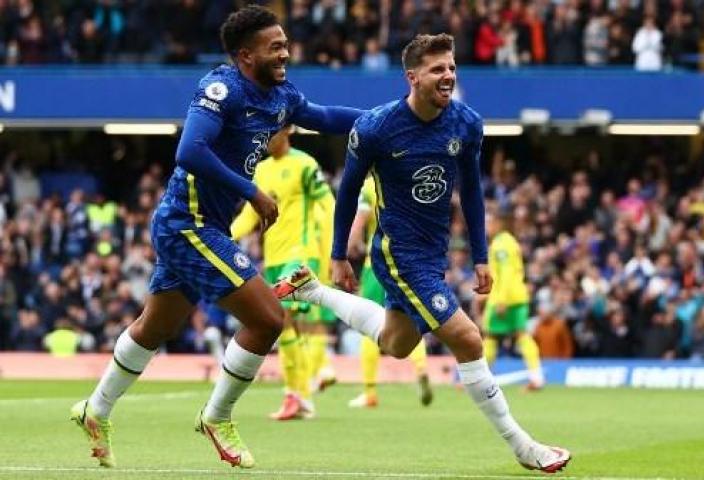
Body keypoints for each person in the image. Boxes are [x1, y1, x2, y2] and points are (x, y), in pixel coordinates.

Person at [70, 5, 363, 469]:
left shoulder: (281, 95)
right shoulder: (221, 88)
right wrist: (253, 191)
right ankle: (217, 414)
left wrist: (389, 121)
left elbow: (325, 116)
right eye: (276, 47)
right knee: (268, 320)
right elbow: (190, 150)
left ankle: (96, 408)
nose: (286, 52)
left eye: (286, 43)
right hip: (188, 224)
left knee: (156, 327)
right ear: (246, 55)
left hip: (203, 226)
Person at [275, 33, 570, 472]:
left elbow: (471, 191)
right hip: (399, 253)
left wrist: (481, 255)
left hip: (432, 254)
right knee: (469, 339)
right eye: (437, 69)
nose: (448, 76)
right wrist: (339, 253)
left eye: (451, 67)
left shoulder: (466, 124)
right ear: (412, 77)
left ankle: (311, 290)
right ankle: (523, 445)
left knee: (398, 342)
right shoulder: (376, 128)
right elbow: (349, 191)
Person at [230, 125, 334, 421]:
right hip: (273, 259)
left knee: (286, 320)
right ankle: (304, 395)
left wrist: (329, 257)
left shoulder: (305, 164)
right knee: (288, 325)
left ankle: (296, 395)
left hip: (300, 256)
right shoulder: (260, 170)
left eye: (270, 132)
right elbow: (251, 214)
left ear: (288, 130)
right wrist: (226, 235)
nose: (264, 139)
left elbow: (328, 206)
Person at [346, 175, 433, 408]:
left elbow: (361, 217)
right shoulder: (410, 179)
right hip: (409, 264)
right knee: (412, 323)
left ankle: (370, 391)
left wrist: (351, 242)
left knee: (369, 328)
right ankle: (422, 368)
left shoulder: (371, 184)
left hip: (377, 265)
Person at [479, 209, 545, 390]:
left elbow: (506, 273)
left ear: (499, 223)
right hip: (518, 296)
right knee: (522, 335)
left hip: (504, 298)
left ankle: (479, 381)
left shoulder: (501, 245)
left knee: (490, 335)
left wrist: (501, 300)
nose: (487, 227)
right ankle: (537, 378)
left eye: (490, 222)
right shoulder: (511, 242)